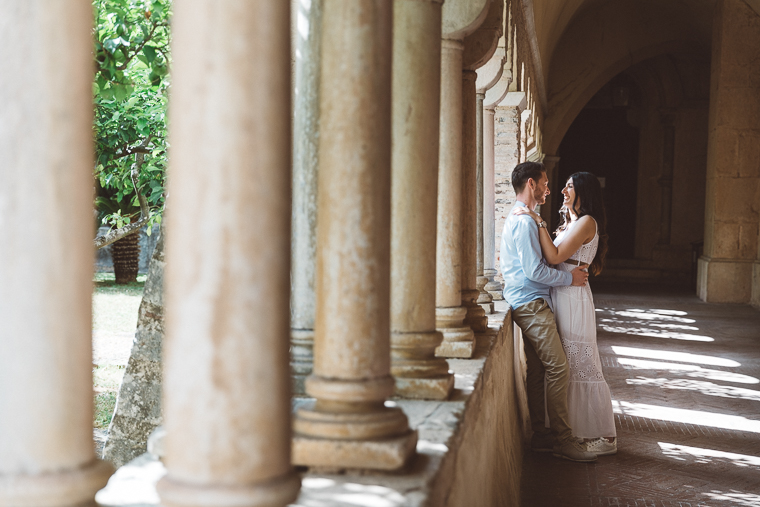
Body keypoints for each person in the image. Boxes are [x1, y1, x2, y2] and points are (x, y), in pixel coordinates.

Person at [513, 171, 616, 456]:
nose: (562, 190)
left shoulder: (586, 222)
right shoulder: (571, 222)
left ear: (584, 191)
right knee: (562, 366)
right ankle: (568, 430)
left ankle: (599, 433)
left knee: (578, 364)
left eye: (570, 186)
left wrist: (538, 221)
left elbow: (555, 258)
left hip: (572, 296)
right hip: (559, 293)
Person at [500, 161, 597, 463]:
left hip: (525, 301)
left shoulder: (526, 217)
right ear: (531, 184)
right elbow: (534, 271)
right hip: (530, 302)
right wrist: (570, 278)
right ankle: (563, 440)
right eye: (544, 182)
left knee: (540, 370)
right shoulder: (525, 221)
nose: (549, 189)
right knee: (559, 368)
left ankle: (542, 437)